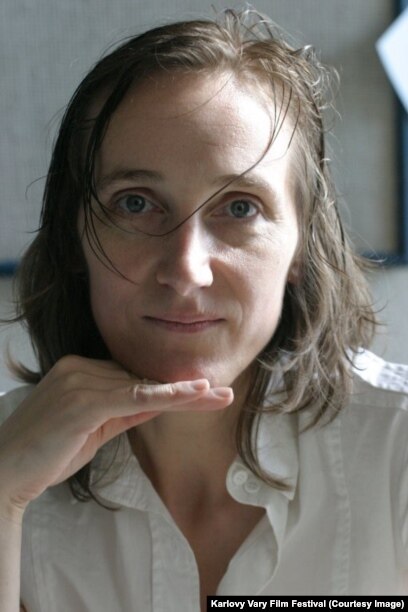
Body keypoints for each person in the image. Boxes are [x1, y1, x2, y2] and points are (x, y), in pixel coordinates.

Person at [0, 8, 407, 610]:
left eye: (240, 208)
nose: (187, 269)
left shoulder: (398, 449)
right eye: (135, 203)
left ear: (301, 247)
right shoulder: (9, 457)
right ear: (75, 237)